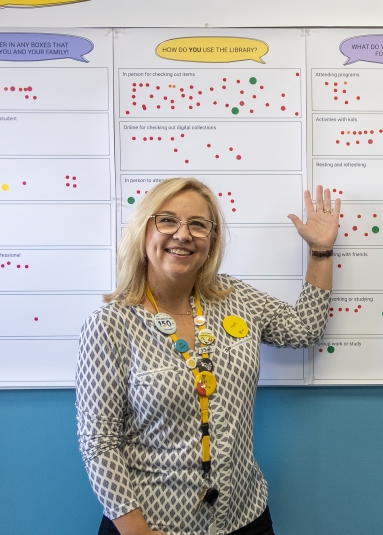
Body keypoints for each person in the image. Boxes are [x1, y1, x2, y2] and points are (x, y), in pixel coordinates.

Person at [76, 178, 339, 535]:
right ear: (143, 230)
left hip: (245, 519)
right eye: (167, 220)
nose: (182, 234)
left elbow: (303, 329)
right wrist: (138, 532)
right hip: (154, 526)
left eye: (198, 224)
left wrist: (320, 251)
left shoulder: (236, 298)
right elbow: (100, 444)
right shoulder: (110, 325)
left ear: (211, 240)